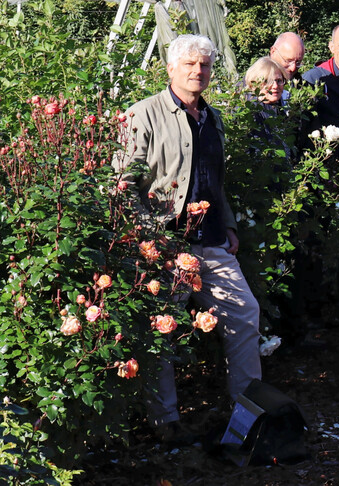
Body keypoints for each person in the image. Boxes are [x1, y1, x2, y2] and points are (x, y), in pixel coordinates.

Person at [116, 35, 260, 442]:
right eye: (190, 65)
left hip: (212, 241)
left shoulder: (211, 119)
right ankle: (166, 424)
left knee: (244, 315)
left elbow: (215, 182)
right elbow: (122, 184)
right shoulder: (144, 115)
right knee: (164, 327)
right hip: (165, 245)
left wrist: (229, 225)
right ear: (171, 69)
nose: (198, 71)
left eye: (205, 65)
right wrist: (151, 239)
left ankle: (247, 416)